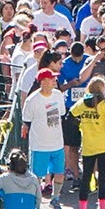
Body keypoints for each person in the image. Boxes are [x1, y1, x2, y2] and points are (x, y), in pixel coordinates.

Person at [68, 76, 105, 209]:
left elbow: (70, 116)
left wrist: (81, 124)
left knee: (86, 179)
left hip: (88, 146)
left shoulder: (82, 103)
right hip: (103, 146)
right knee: (103, 179)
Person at [22, 70, 67, 202]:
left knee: (59, 172)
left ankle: (56, 197)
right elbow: (26, 119)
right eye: (51, 78)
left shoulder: (58, 95)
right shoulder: (32, 100)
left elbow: (61, 113)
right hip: (39, 145)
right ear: (42, 82)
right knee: (37, 175)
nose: (55, 81)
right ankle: (36, 200)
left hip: (57, 143)